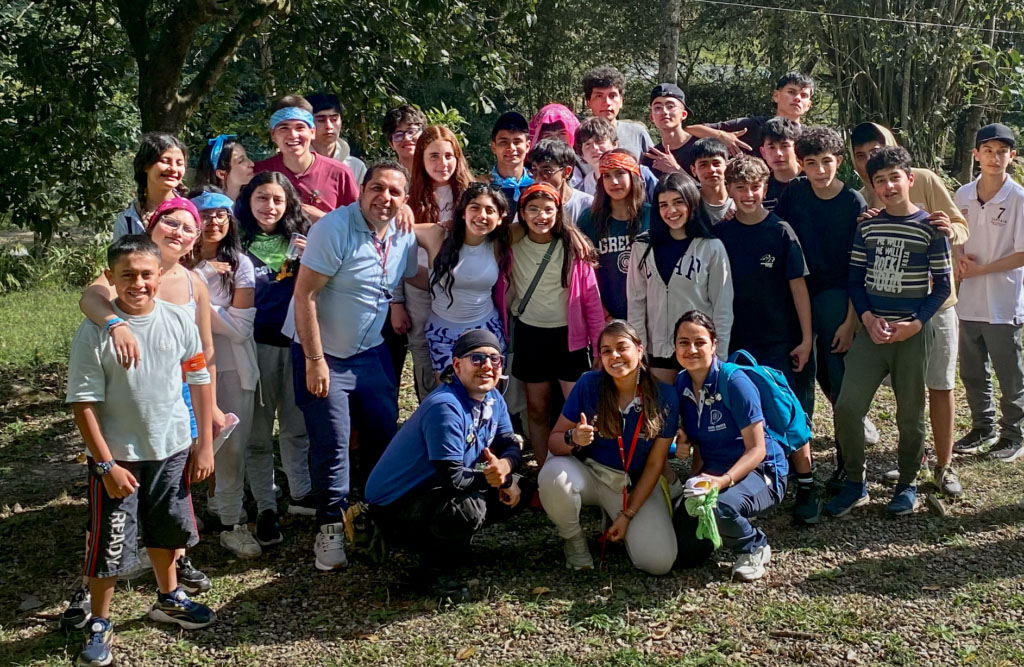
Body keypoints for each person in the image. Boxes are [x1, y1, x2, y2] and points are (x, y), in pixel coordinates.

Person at [66, 235, 216, 667]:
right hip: (118, 460)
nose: (138, 283)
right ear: (110, 277)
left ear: (160, 275)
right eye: (127, 275)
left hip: (171, 450)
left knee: (167, 529)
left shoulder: (178, 320)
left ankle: (169, 598)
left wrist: (204, 444)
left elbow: (199, 380)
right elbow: (83, 403)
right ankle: (100, 621)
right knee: (110, 543)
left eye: (146, 274)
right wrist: (106, 464)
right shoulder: (94, 333)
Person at [284, 161, 419, 571]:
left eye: (395, 192)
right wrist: (315, 360)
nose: (385, 198)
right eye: (377, 188)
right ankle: (329, 529)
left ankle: (378, 515)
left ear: (405, 199)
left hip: (370, 351)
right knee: (333, 441)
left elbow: (410, 271)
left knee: (384, 432)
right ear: (361, 189)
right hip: (323, 353)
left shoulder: (402, 232)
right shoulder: (334, 229)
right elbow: (305, 295)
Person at [826, 146, 952, 517]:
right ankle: (855, 481)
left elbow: (942, 285)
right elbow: (855, 279)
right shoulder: (867, 226)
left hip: (911, 334)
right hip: (872, 331)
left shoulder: (931, 227)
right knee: (847, 407)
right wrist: (866, 319)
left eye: (895, 177)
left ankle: (907, 483)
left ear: (910, 179)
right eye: (880, 180)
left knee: (910, 416)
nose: (888, 186)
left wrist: (915, 323)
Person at [851, 121, 968, 496]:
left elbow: (960, 224)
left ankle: (944, 465)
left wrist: (948, 230)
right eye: (861, 156)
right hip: (890, 313)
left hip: (936, 306)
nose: (869, 160)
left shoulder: (924, 179)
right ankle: (913, 462)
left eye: (875, 150)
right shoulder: (866, 194)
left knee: (941, 384)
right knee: (908, 393)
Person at [366, 329, 527, 600]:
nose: (487, 366)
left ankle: (451, 546)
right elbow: (453, 479)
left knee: (523, 489)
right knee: (467, 509)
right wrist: (501, 479)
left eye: (494, 359)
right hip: (394, 504)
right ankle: (433, 572)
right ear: (457, 365)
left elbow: (509, 444)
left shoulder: (493, 398)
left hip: (434, 490)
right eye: (477, 358)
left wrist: (506, 470)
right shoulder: (445, 406)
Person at [714, 155, 817, 521]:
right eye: (740, 187)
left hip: (777, 339)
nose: (748, 194)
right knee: (741, 413)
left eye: (755, 187)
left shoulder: (781, 231)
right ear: (729, 189)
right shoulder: (721, 234)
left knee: (786, 411)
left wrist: (806, 338)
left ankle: (807, 484)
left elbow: (799, 287)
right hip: (735, 341)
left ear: (766, 187)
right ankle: (752, 480)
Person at [775, 127, 868, 504]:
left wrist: (850, 320)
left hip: (837, 297)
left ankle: (849, 465)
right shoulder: (795, 192)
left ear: (839, 162)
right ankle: (802, 464)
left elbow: (860, 265)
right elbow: (777, 234)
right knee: (800, 378)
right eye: (810, 163)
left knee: (841, 383)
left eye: (826, 162)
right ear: (801, 164)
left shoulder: (852, 201)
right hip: (797, 293)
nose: (819, 170)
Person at [540, 320, 679, 574]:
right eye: (606, 350)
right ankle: (573, 540)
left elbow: (654, 464)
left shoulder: (665, 396)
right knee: (553, 476)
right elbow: (554, 440)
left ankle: (615, 516)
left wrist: (628, 515)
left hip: (632, 483)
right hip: (590, 474)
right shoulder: (589, 384)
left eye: (621, 347)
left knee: (659, 563)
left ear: (639, 350)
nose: (614, 355)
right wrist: (573, 438)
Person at [673, 310, 788, 581]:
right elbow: (698, 439)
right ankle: (729, 520)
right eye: (683, 342)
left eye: (700, 342)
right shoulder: (681, 382)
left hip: (761, 470)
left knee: (718, 506)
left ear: (714, 345)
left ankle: (754, 545)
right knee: (683, 553)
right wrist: (685, 446)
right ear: (674, 347)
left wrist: (722, 482)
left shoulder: (734, 382)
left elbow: (757, 449)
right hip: (715, 469)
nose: (691, 349)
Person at [191, 187, 274, 554]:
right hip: (182, 368)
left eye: (221, 215)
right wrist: (200, 275)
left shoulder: (240, 264)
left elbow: (241, 329)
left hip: (233, 366)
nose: (214, 222)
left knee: (231, 446)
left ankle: (231, 520)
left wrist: (196, 297)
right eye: (205, 215)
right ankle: (178, 521)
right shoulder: (176, 264)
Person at [236, 172, 315, 518]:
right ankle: (265, 502)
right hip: (254, 346)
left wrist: (312, 257)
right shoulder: (235, 242)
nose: (270, 206)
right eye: (262, 198)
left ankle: (301, 493)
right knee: (258, 432)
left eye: (278, 200)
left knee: (296, 426)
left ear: (289, 204)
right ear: (249, 201)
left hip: (295, 344)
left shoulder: (302, 240)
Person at [509, 183, 603, 464]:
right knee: (538, 408)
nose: (541, 216)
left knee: (579, 410)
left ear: (559, 212)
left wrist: (599, 348)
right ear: (522, 213)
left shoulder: (573, 247)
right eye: (533, 209)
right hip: (530, 336)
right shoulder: (511, 244)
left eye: (548, 210)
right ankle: (543, 469)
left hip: (569, 338)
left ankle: (583, 467)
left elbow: (592, 302)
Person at [954, 123, 1024, 464]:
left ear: (1012, 156)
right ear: (976, 154)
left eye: (1002, 152)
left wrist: (981, 270)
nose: (995, 158)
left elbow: (1022, 253)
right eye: (988, 151)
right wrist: (958, 258)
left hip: (1002, 301)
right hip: (967, 300)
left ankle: (1014, 434)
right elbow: (954, 237)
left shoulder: (1018, 198)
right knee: (971, 370)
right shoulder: (963, 195)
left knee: (1008, 372)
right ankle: (983, 427)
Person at [627, 173, 733, 383]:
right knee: (662, 404)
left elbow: (722, 307)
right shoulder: (642, 247)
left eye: (678, 202)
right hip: (658, 350)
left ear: (692, 202)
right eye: (663, 205)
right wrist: (640, 350)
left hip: (698, 349)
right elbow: (636, 303)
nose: (671, 211)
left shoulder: (711, 247)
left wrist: (718, 358)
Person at [402, 125, 476, 401]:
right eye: (433, 156)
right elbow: (394, 251)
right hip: (419, 284)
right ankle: (430, 406)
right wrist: (396, 302)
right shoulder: (407, 197)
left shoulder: (471, 194)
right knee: (424, 350)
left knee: (462, 349)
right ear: (421, 158)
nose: (442, 163)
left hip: (461, 287)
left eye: (448, 155)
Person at [415, 183, 512, 379]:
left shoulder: (498, 242)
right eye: (474, 208)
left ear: (500, 218)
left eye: (490, 210)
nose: (482, 216)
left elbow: (540, 226)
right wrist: (404, 212)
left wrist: (574, 237)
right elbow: (392, 229)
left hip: (487, 330)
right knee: (448, 392)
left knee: (486, 392)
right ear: (462, 212)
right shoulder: (437, 235)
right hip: (443, 333)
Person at [252, 94, 358, 222]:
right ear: (273, 135)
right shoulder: (258, 172)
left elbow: (357, 225)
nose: (293, 135)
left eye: (300, 127)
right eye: (284, 128)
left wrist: (324, 219)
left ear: (312, 132)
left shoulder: (339, 173)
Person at [380, 104, 428, 386]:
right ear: (391, 142)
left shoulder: (437, 173)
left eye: (412, 131)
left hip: (434, 284)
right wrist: (395, 302)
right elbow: (385, 243)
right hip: (396, 284)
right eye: (398, 134)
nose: (407, 139)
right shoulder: (386, 180)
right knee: (391, 365)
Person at [578, 149, 651, 321]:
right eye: (607, 176)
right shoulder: (590, 220)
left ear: (633, 176)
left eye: (620, 173)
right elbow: (583, 273)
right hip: (607, 318)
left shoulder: (652, 216)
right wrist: (604, 314)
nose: (614, 182)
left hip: (650, 314)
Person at [686, 72, 813, 157]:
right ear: (776, 96)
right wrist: (721, 136)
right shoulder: (753, 125)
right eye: (791, 92)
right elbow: (691, 129)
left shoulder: (809, 138)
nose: (797, 98)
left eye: (804, 95)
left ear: (808, 105)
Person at [113, 133, 188, 239]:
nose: (173, 169)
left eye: (179, 163)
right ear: (146, 166)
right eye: (165, 161)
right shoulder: (128, 221)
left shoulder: (192, 212)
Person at [575, 116, 658, 199]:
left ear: (615, 144)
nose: (594, 148)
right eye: (587, 144)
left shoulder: (642, 175)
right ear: (582, 154)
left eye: (599, 141)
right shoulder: (580, 191)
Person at [582, 65, 653, 160]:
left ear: (621, 101)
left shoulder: (637, 134)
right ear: (588, 102)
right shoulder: (579, 136)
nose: (607, 102)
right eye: (599, 96)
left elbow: (655, 166)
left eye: (612, 96)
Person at [527, 138, 593, 224]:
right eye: (534, 170)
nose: (538, 178)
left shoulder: (587, 205)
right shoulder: (528, 203)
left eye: (547, 171)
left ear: (567, 172)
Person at [306, 92, 368, 184]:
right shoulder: (295, 164)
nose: (329, 126)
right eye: (321, 120)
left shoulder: (356, 167)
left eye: (334, 119)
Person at [642, 83, 699, 179]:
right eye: (658, 108)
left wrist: (675, 169)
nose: (664, 112)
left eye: (670, 106)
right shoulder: (651, 157)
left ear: (683, 114)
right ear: (652, 117)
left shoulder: (701, 148)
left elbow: (711, 188)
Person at [487, 111, 535, 219]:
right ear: (493, 147)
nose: (511, 148)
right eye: (504, 142)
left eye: (517, 142)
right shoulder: (483, 188)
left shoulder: (536, 185)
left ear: (527, 146)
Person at [528, 103, 586, 190]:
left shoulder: (586, 162)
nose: (556, 139)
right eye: (548, 135)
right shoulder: (531, 169)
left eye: (562, 133)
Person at [193, 134, 255, 202]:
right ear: (221, 174)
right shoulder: (203, 205)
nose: (252, 164)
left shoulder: (254, 202)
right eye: (241, 161)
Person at [759, 117, 803, 211]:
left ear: (796, 148)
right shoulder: (759, 188)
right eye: (771, 147)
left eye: (784, 146)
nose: (778, 153)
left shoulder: (814, 180)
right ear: (763, 152)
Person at [689, 138, 734, 224]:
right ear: (694, 170)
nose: (711, 169)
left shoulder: (741, 200)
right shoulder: (689, 205)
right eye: (703, 165)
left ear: (727, 166)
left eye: (716, 163)